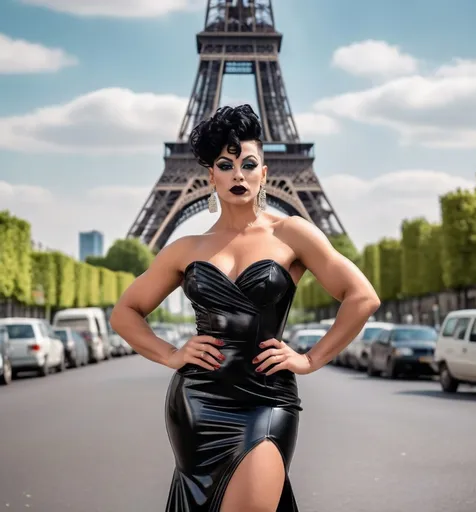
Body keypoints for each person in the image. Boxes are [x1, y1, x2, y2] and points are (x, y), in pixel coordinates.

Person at [110, 104, 380, 512]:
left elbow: (362, 296)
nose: (238, 174)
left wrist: (309, 359)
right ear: (210, 176)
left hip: (266, 397)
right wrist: (171, 353)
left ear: (264, 173)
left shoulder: (291, 233)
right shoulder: (185, 249)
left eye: (248, 164)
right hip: (197, 402)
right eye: (226, 164)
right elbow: (124, 311)